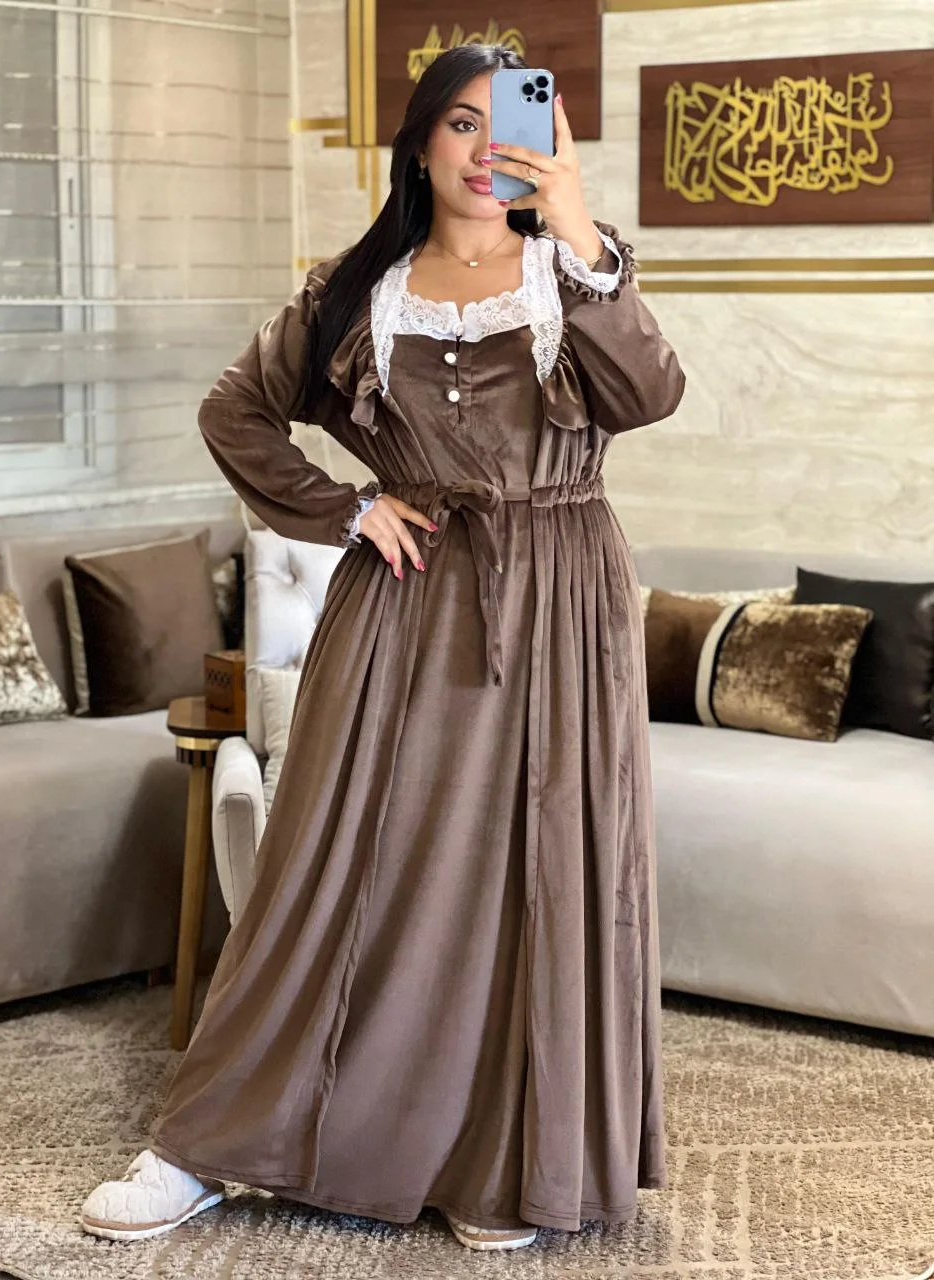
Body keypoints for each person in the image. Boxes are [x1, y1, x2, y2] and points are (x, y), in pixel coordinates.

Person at [79, 42, 685, 1253]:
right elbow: (233, 409)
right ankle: (209, 1140)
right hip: (402, 598)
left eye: (512, 125)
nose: (486, 150)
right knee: (330, 862)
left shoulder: (575, 269)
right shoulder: (358, 290)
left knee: (535, 869)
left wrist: (577, 225)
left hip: (559, 603)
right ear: (417, 144)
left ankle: (502, 1165)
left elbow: (652, 392)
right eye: (459, 123)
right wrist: (347, 506)